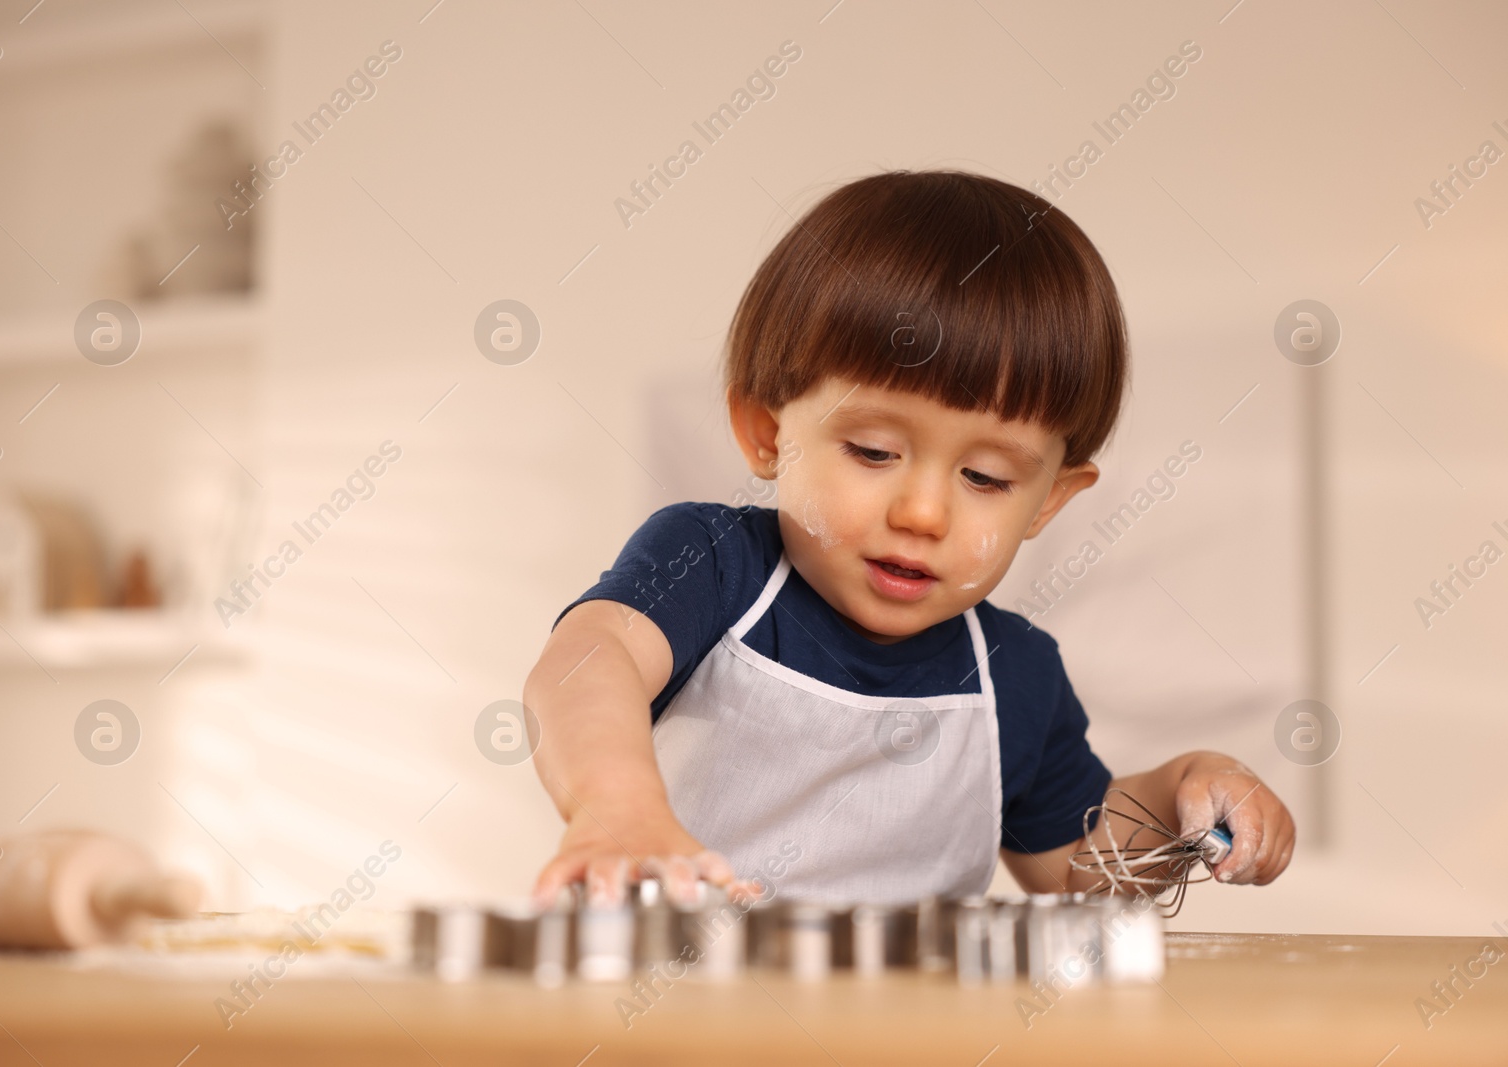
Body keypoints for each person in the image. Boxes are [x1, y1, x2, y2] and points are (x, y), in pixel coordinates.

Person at [523, 169, 1294, 909]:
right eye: (873, 452)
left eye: (986, 477)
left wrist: (1183, 794)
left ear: (1048, 500)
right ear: (768, 433)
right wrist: (615, 807)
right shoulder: (713, 563)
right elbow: (591, 663)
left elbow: (1076, 871)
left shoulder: (1015, 677)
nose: (924, 513)